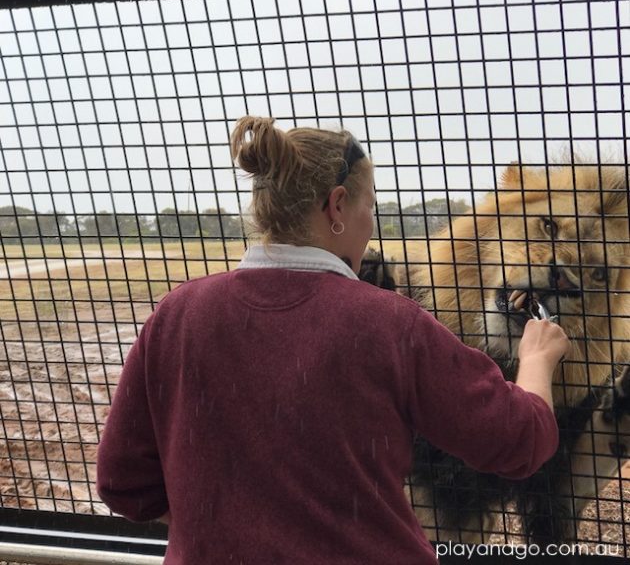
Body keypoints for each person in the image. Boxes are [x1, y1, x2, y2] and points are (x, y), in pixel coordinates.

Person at [96, 116, 570, 564]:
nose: (370, 221)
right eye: (369, 205)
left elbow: (122, 481)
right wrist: (536, 358)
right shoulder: (390, 323)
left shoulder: (177, 313)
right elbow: (521, 441)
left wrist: (234, 528)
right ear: (338, 205)